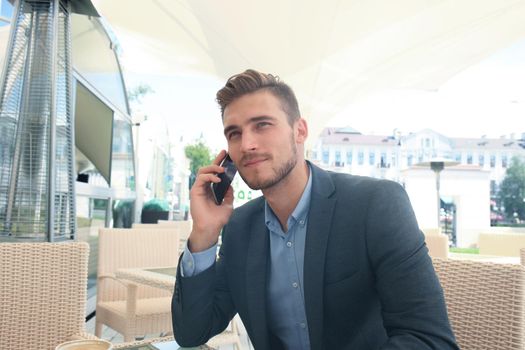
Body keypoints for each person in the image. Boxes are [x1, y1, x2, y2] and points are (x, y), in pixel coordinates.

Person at [171, 69, 458, 349]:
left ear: (300, 130)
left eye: (262, 125)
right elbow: (191, 332)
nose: (247, 144)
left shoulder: (375, 205)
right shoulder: (240, 227)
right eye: (234, 133)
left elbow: (429, 340)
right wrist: (204, 233)